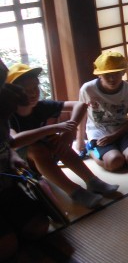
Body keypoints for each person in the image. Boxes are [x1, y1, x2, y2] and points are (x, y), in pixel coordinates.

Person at [7, 64, 119, 209]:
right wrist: (52, 128)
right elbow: (14, 141)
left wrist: (69, 132)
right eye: (26, 91)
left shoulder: (41, 106)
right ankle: (75, 192)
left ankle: (93, 181)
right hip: (22, 165)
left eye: (35, 88)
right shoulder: (8, 115)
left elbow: (80, 105)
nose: (33, 93)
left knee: (57, 141)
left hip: (47, 157)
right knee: (37, 149)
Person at [0, 80, 50, 261]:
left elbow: (7, 144)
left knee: (39, 226)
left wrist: (12, 155)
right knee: (8, 247)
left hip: (7, 187)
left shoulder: (3, 113)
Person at [79, 51, 128, 172]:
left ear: (123, 72)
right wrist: (80, 141)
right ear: (99, 74)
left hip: (122, 129)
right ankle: (91, 150)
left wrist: (114, 136)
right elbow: (81, 113)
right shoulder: (88, 89)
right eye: (107, 75)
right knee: (115, 161)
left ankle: (117, 148)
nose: (112, 79)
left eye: (116, 73)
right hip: (99, 131)